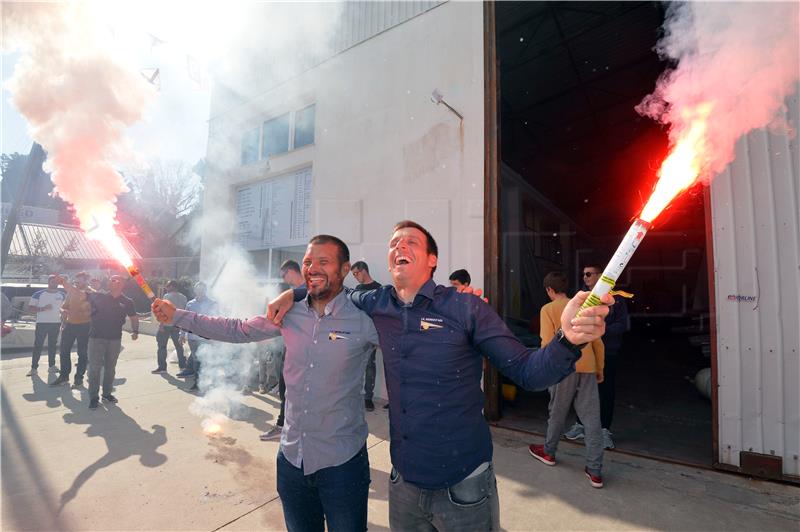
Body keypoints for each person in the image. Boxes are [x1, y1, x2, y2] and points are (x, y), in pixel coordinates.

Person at [268, 220, 612, 530]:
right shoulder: (377, 303)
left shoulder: (466, 307)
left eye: (411, 243)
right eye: (394, 244)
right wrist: (294, 292)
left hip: (464, 485)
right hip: (403, 487)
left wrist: (567, 339)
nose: (399, 247)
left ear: (432, 260)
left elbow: (528, 371)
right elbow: (332, 290)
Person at [152, 235, 379, 532]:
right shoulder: (288, 312)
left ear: (345, 268)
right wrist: (179, 316)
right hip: (292, 460)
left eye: (324, 262)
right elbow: (238, 330)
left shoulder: (365, 320)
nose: (313, 268)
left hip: (342, 463)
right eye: (309, 262)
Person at [528, 271, 605, 488]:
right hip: (588, 366)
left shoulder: (548, 309)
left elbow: (546, 343)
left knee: (558, 412)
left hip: (562, 368)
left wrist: (544, 372)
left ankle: (549, 452)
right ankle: (595, 471)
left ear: (549, 290)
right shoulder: (583, 306)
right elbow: (597, 341)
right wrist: (599, 367)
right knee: (591, 420)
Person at [564, 263, 629, 449]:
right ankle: (580, 425)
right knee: (582, 389)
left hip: (608, 351)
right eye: (584, 274)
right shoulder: (581, 297)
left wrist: (601, 330)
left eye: (589, 274)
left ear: (601, 275)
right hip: (585, 352)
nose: (585, 277)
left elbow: (622, 324)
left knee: (606, 390)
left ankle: (604, 430)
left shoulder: (616, 298)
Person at [59, 274, 139, 409]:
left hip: (114, 339)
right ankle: (93, 397)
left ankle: (107, 394)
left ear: (122, 284)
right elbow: (78, 292)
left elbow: (134, 317)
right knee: (94, 369)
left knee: (110, 369)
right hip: (96, 338)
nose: (112, 282)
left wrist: (135, 331)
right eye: (110, 280)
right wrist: (65, 283)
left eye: (116, 280)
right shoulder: (99, 297)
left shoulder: (127, 301)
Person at [259, 261, 305, 442]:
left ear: (291, 271)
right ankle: (285, 425)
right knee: (286, 389)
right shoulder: (292, 295)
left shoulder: (305, 292)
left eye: (283, 275)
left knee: (291, 390)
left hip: (301, 353)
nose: (283, 279)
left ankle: (284, 427)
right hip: (291, 349)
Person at [51, 272, 92, 388]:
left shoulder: (91, 293)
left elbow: (82, 296)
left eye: (79, 281)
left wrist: (64, 282)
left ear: (86, 281)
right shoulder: (72, 292)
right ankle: (64, 376)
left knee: (82, 354)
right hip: (69, 325)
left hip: (85, 326)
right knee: (63, 352)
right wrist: (62, 311)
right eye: (76, 281)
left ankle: (78, 379)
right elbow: (63, 306)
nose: (77, 283)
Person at [350, 261, 381, 411]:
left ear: (364, 271)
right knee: (354, 367)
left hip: (371, 336)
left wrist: (377, 338)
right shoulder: (357, 289)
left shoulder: (379, 289)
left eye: (356, 273)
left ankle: (368, 398)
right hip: (356, 336)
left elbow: (381, 316)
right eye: (353, 274)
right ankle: (354, 397)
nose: (355, 277)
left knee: (369, 366)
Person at [177, 282, 218, 391]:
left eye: (202, 289)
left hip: (206, 337)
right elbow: (186, 320)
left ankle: (210, 383)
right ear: (195, 291)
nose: (200, 291)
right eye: (198, 289)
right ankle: (198, 383)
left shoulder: (212, 303)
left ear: (205, 290)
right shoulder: (190, 304)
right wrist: (182, 334)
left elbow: (217, 321)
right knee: (196, 361)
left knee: (207, 360)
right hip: (193, 338)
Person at [26, 275, 66, 378]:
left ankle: (51, 366)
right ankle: (34, 368)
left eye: (56, 282)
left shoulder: (62, 295)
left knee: (53, 345)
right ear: (49, 282)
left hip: (56, 323)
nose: (55, 283)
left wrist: (64, 322)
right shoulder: (38, 294)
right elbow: (30, 309)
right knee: (38, 346)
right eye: (53, 281)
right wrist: (43, 308)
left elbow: (65, 310)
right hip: (42, 323)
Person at [152, 280, 187, 374]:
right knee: (179, 347)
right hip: (178, 325)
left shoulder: (167, 296)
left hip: (167, 325)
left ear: (172, 286)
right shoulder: (184, 297)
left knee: (162, 346)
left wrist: (161, 324)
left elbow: (163, 311)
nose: (166, 288)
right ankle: (183, 366)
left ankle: (162, 368)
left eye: (167, 286)